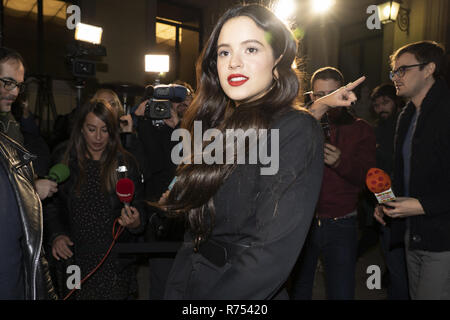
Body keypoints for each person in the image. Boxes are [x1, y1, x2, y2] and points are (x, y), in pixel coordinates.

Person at [158, 4, 364, 300]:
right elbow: (196, 233)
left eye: (251, 50)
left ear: (277, 58)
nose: (234, 63)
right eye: (224, 52)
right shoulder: (219, 125)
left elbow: (270, 252)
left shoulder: (296, 129)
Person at [44, 100, 147, 299]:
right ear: (81, 128)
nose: (98, 137)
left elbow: (140, 206)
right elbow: (50, 206)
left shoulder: (125, 163)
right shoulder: (63, 158)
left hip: (114, 261)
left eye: (105, 130)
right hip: (75, 258)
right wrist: (57, 235)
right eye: (92, 129)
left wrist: (135, 221)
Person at [290, 67, 376, 300]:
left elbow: (368, 178)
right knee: (298, 289)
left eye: (332, 93)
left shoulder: (361, 129)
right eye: (320, 95)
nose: (326, 100)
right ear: (311, 96)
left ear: (344, 93)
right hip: (302, 224)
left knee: (341, 291)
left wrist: (341, 162)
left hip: (341, 224)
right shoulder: (300, 126)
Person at [374, 41, 450, 300]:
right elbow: (403, 173)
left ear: (429, 69)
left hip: (442, 240)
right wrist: (387, 202)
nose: (396, 77)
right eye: (393, 71)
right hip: (411, 234)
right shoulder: (406, 115)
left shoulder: (445, 111)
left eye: (403, 70)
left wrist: (422, 205)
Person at [0, 46, 57, 300]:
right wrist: (32, 190)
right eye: (7, 82)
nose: (13, 92)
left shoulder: (10, 127)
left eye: (18, 85)